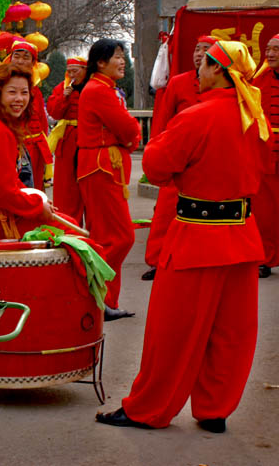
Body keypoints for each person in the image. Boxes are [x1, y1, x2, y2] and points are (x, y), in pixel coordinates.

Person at [96, 40, 270, 433]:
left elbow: (156, 167)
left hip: (197, 235)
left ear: (219, 71)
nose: (198, 71)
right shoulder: (253, 115)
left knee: (171, 332)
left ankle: (148, 408)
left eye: (205, 65)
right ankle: (214, 410)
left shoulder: (196, 116)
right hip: (242, 235)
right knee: (231, 332)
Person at [142, 35, 217, 281]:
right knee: (165, 210)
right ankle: (156, 260)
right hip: (177, 155)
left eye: (205, 50)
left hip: (207, 160)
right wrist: (157, 151)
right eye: (196, 49)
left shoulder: (221, 83)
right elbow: (163, 118)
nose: (199, 54)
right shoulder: (178, 82)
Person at [76, 39, 141, 321]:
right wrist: (130, 137)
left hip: (104, 166)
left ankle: (103, 300)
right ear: (100, 62)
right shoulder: (99, 90)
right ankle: (96, 297)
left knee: (107, 236)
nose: (122, 61)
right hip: (102, 167)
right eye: (116, 56)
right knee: (119, 236)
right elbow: (128, 126)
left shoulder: (104, 88)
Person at [0, 64, 62, 240]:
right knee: (69, 231)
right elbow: (2, 192)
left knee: (62, 221)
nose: (19, 99)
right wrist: (38, 207)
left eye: (24, 93)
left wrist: (36, 201)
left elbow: (8, 181)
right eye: (12, 92)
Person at [250, 33, 279, 278]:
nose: (270, 54)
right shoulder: (259, 81)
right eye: (268, 49)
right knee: (266, 213)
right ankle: (266, 259)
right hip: (268, 155)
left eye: (275, 50)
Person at [5, 41, 52, 191]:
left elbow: (42, 121)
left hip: (36, 147)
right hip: (15, 146)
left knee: (36, 188)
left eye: (26, 57)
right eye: (16, 56)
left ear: (33, 62)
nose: (20, 61)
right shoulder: (1, 85)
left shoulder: (35, 90)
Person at [47, 57, 87, 223]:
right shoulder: (62, 88)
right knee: (66, 186)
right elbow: (54, 113)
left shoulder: (93, 87)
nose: (71, 75)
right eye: (69, 71)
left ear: (85, 70)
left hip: (87, 137)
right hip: (68, 138)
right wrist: (64, 97)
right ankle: (69, 224)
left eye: (75, 71)